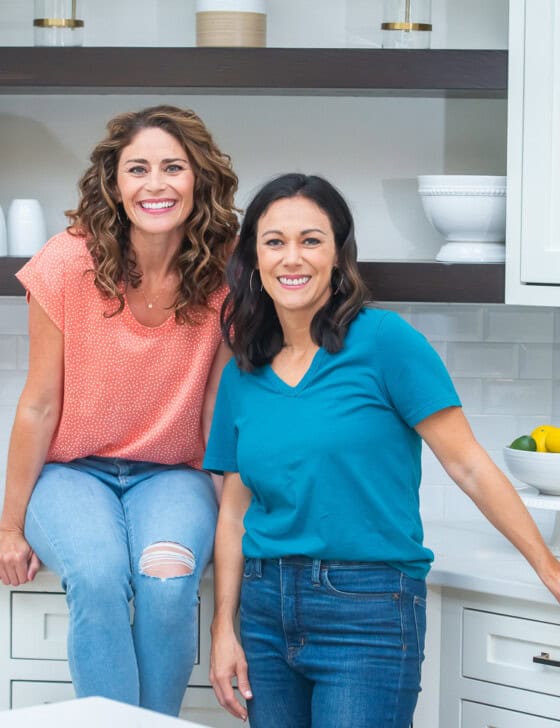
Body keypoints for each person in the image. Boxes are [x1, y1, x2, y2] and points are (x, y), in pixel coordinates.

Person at [203, 173, 560, 728]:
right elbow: (233, 508)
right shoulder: (243, 371)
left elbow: (466, 464)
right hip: (264, 610)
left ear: (338, 255)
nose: (291, 258)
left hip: (367, 608)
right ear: (252, 258)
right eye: (274, 241)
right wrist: (224, 627)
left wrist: (549, 567)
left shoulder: (386, 342)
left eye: (311, 240)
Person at [0, 105, 238, 716]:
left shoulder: (227, 273)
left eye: (172, 168)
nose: (155, 185)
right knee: (101, 578)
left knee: (166, 583)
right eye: (138, 169)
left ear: (198, 180)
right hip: (72, 472)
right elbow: (40, 402)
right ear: (114, 182)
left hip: (174, 475)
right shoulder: (66, 263)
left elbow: (218, 404)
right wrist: (7, 525)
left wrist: (236, 515)